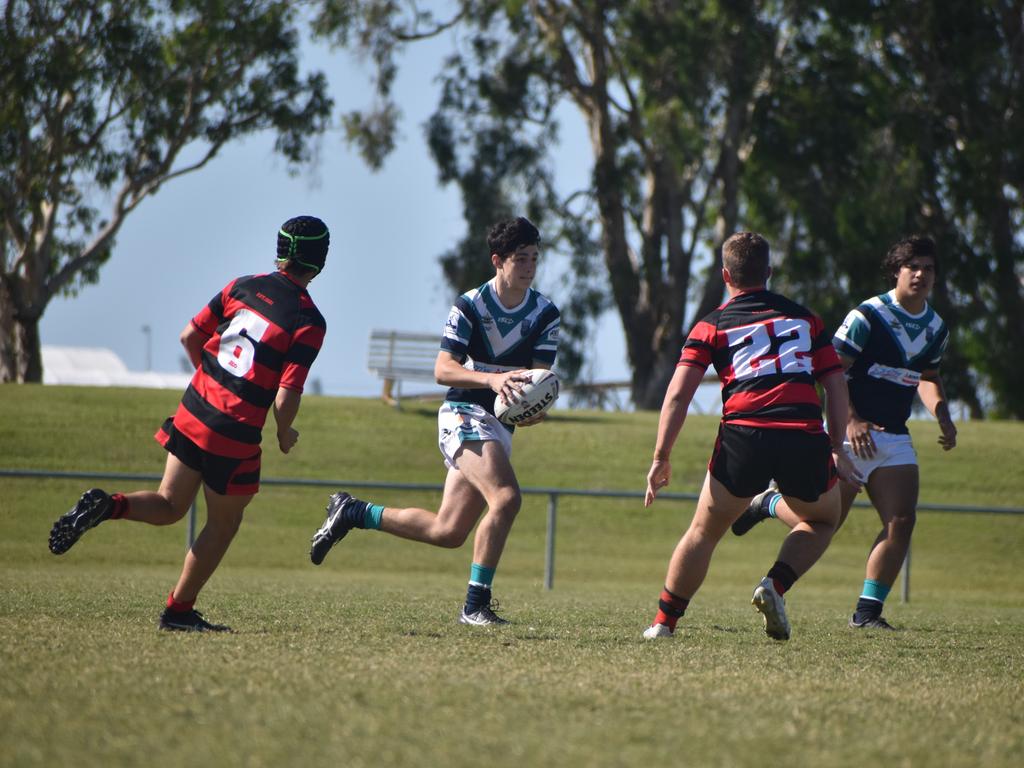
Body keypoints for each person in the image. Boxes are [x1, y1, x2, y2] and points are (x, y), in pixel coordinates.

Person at [48, 215, 330, 632]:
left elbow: (188, 337)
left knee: (169, 505)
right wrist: (284, 432)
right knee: (224, 523)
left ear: (281, 250)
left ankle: (110, 505)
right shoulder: (308, 320)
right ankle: (178, 612)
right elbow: (287, 396)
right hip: (233, 432)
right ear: (321, 258)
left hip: (193, 410)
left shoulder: (241, 286)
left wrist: (212, 380)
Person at [308, 216, 559, 626]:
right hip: (461, 413)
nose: (529, 267)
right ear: (498, 261)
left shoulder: (546, 314)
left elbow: (536, 380)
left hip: (497, 426)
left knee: (448, 531)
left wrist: (533, 410)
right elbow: (443, 370)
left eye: (534, 258)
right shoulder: (470, 306)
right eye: (520, 259)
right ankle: (475, 605)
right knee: (507, 498)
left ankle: (353, 512)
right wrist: (493, 380)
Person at [642, 232, 861, 641]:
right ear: (770, 273)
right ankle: (774, 585)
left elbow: (678, 395)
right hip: (802, 434)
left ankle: (663, 624)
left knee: (704, 532)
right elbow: (835, 384)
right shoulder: (807, 319)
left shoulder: (711, 325)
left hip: (745, 434)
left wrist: (661, 457)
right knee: (822, 520)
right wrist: (836, 447)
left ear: (726, 275)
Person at [730, 235, 956, 630]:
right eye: (912, 266)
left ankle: (867, 613)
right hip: (849, 436)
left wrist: (942, 413)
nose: (921, 274)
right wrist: (850, 420)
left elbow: (927, 376)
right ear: (896, 271)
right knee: (824, 521)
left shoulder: (936, 326)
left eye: (929, 268)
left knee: (901, 520)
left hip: (894, 437)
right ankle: (768, 503)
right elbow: (829, 372)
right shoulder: (868, 315)